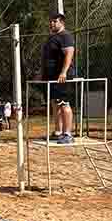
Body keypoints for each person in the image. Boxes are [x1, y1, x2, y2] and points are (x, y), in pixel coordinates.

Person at [42, 13, 76, 144]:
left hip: (62, 77)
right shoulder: (52, 37)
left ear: (62, 22)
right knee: (55, 103)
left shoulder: (65, 36)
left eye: (54, 21)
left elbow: (69, 54)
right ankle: (58, 131)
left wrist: (64, 72)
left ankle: (67, 134)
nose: (51, 24)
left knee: (64, 103)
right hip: (51, 77)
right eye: (50, 21)